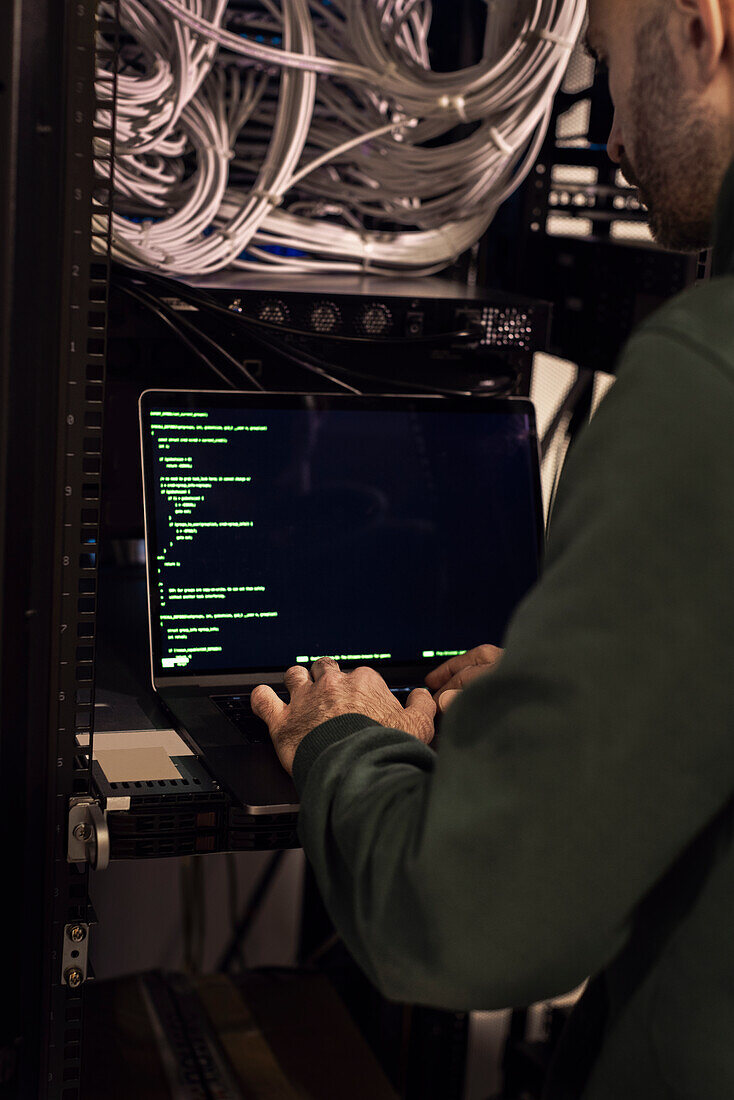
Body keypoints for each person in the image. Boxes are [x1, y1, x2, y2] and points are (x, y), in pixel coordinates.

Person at [252, 0, 734, 1095]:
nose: (606, 135)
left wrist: (344, 742)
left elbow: (460, 922)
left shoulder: (707, 376)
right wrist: (567, 715)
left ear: (701, 26)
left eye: (608, 68)